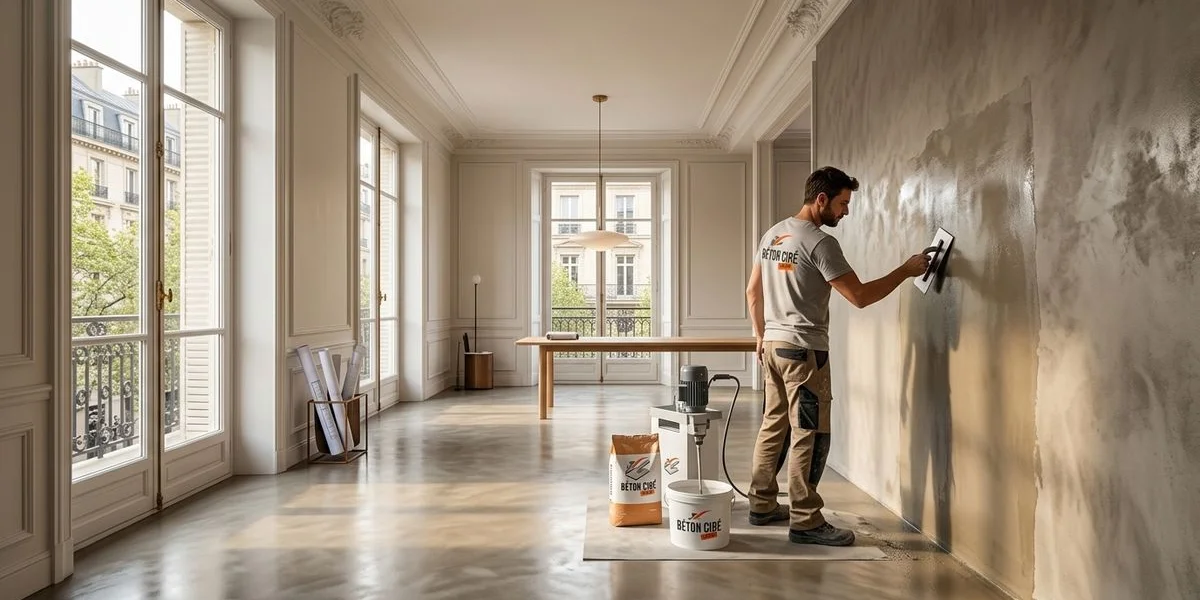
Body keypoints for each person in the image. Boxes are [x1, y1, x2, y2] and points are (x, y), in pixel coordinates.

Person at [743, 166, 934, 546]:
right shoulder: (819, 243)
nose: (845, 212)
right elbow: (859, 297)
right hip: (804, 352)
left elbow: (753, 292)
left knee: (773, 427)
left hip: (774, 348)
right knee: (809, 433)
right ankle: (806, 519)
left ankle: (762, 503)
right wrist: (907, 270)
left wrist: (760, 338)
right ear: (821, 200)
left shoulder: (773, 234)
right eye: (843, 203)